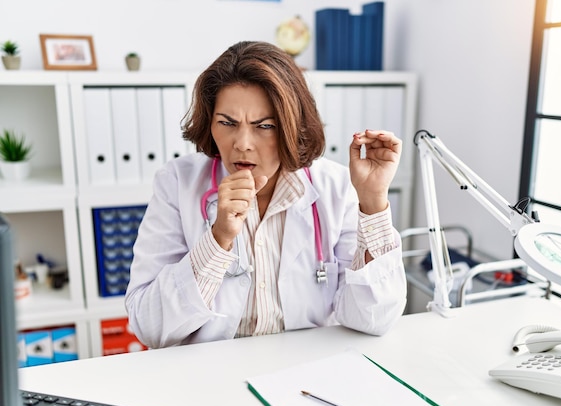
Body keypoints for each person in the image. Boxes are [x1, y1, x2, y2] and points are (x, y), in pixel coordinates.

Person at [125, 40, 407, 348]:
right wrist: (218, 239)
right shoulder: (178, 183)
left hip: (304, 371)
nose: (242, 143)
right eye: (227, 123)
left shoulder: (335, 187)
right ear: (210, 122)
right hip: (208, 373)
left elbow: (373, 320)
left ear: (291, 126)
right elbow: (148, 326)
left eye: (265, 126)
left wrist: (373, 202)